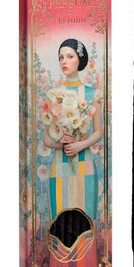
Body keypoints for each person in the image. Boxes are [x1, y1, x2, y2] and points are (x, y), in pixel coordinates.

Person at [43, 39, 102, 222]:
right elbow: (46, 139)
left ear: (80, 59)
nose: (64, 61)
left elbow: (98, 132)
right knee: (60, 220)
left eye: (70, 56)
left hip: (85, 165)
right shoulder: (53, 95)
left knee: (86, 219)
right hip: (59, 167)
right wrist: (62, 144)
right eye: (61, 57)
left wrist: (79, 145)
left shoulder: (92, 94)